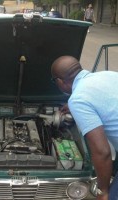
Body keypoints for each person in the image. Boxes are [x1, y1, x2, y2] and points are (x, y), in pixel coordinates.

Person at [51, 55, 118, 200]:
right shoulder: (109, 74)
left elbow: (102, 152)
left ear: (60, 81)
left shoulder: (79, 99)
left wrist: (103, 191)